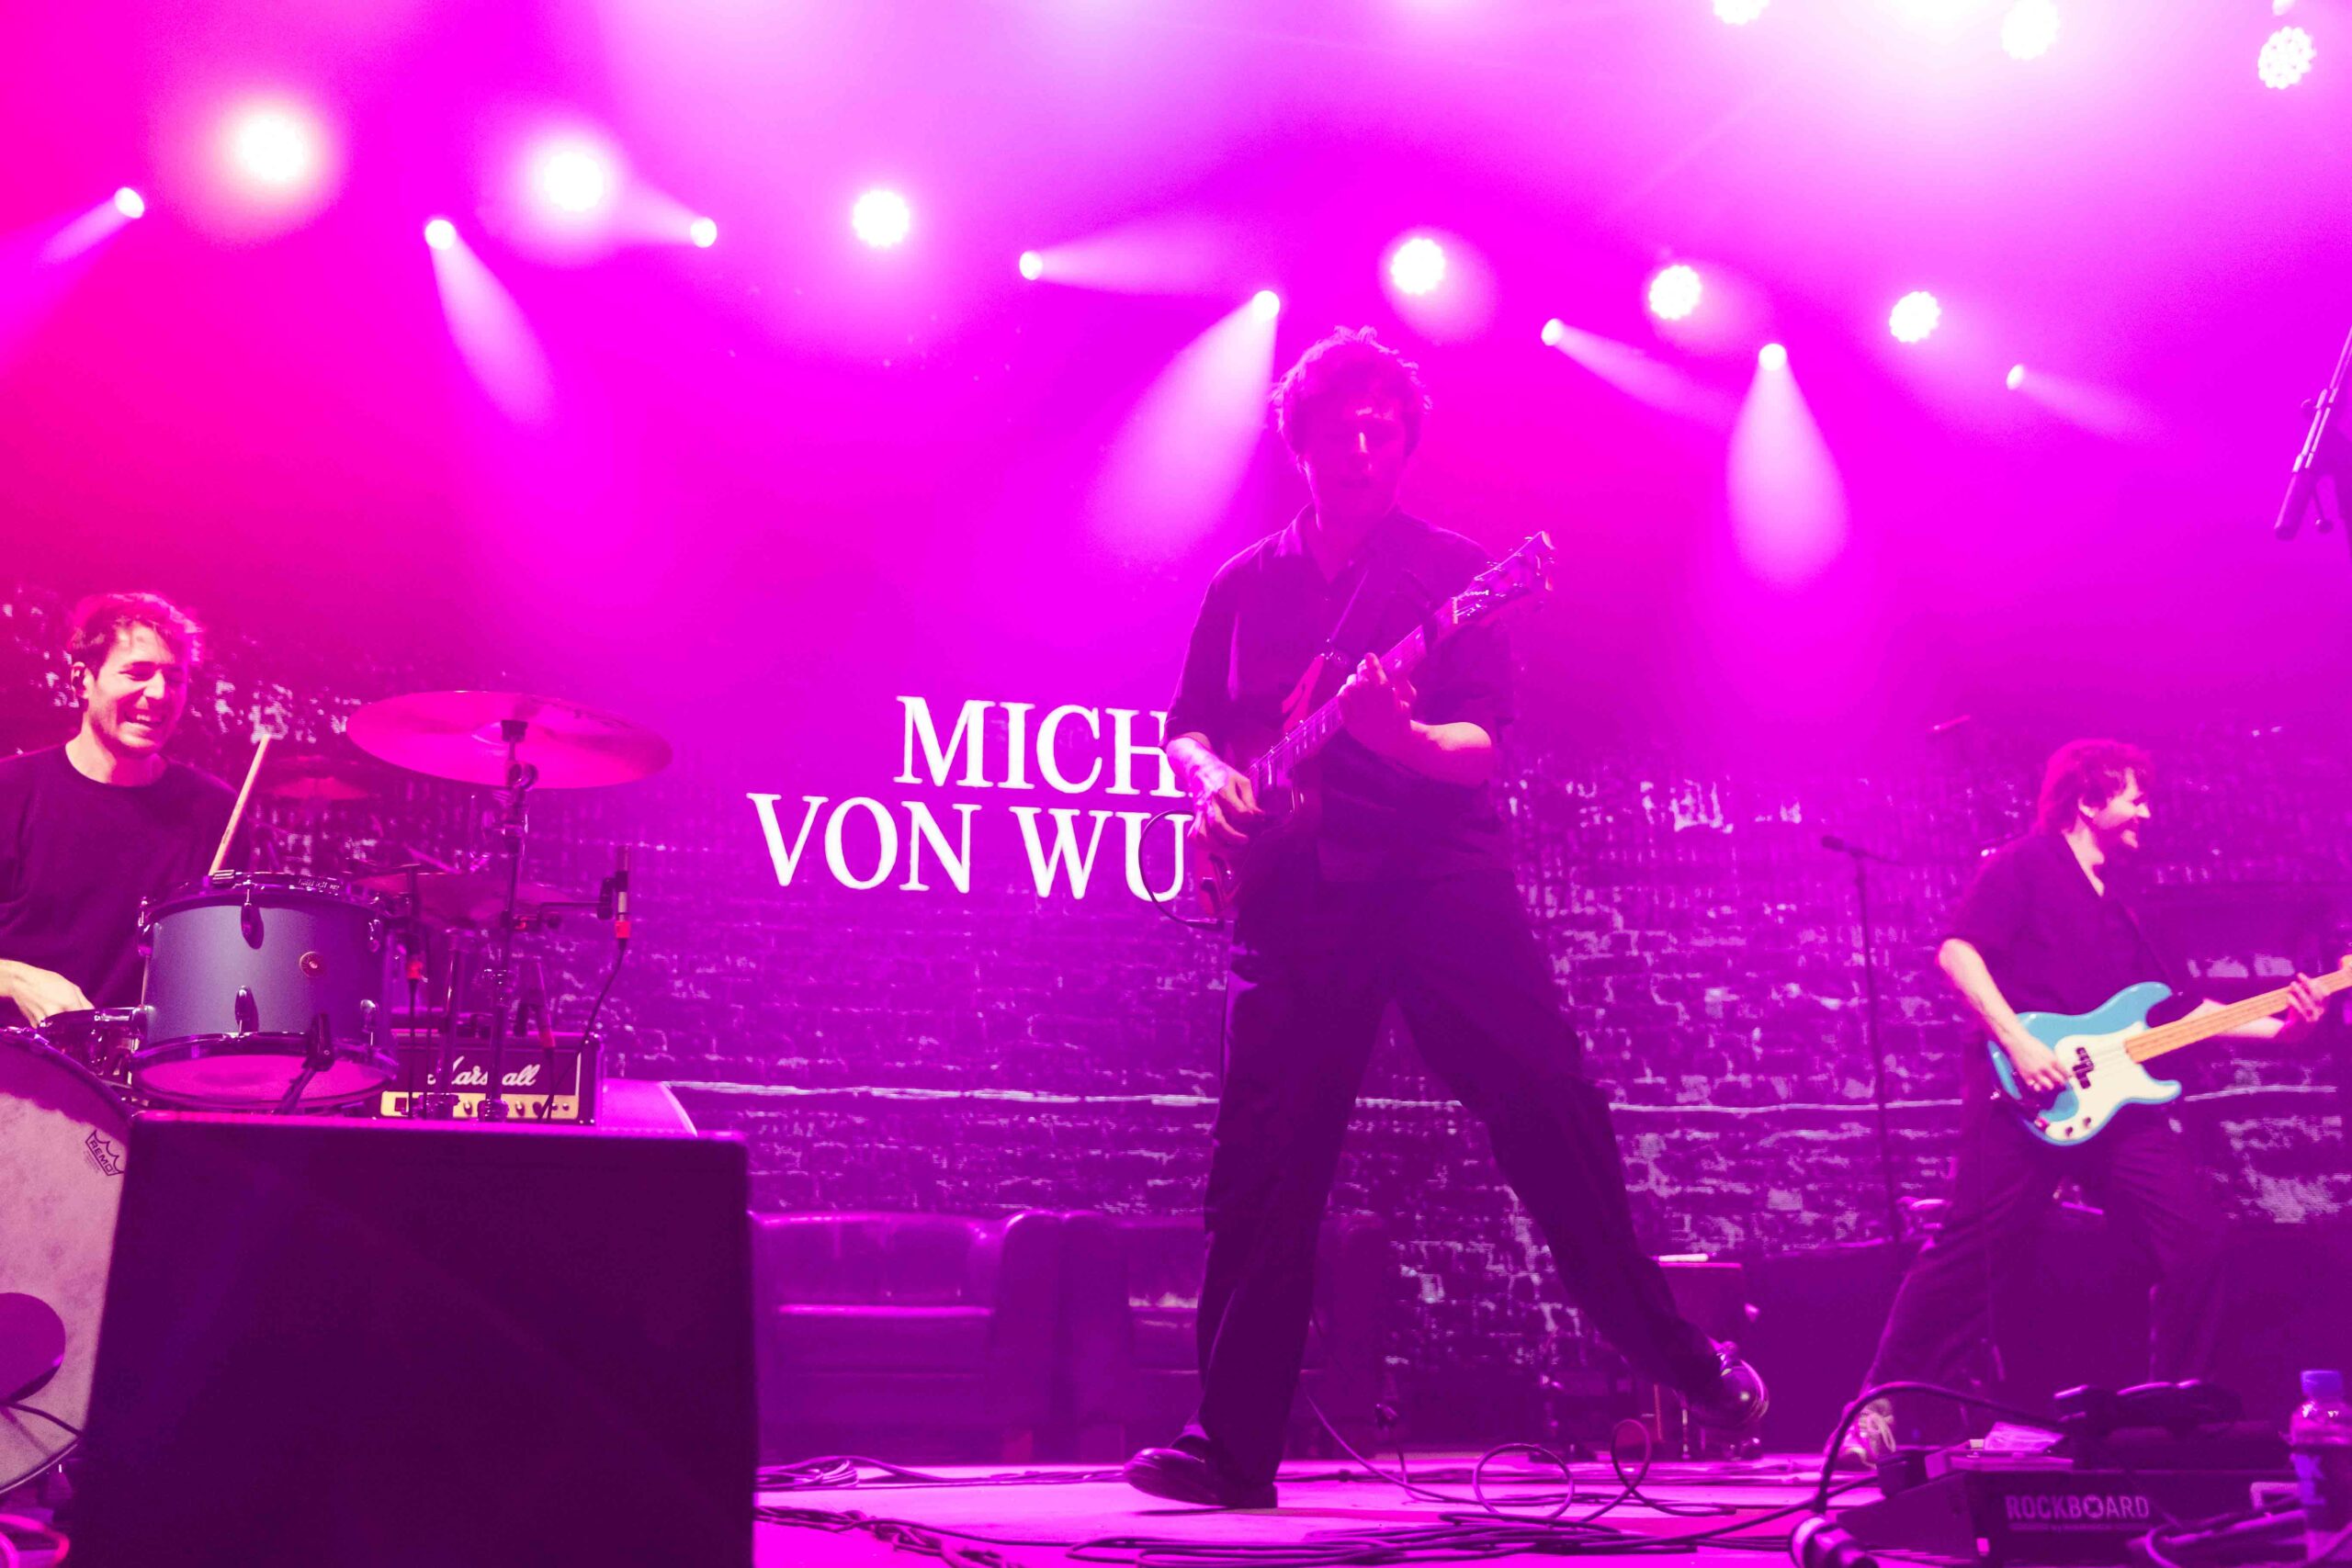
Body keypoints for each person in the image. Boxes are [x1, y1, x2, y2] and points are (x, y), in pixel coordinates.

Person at [1123, 328, 1765, 1510]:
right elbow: (1188, 725)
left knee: (1548, 1113)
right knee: (1262, 1165)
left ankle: (1683, 1364)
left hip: (1434, 881)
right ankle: (1230, 1449)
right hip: (1293, 898)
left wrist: (1402, 738)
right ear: (1300, 442)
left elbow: (1478, 748)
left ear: (1406, 442)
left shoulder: (1457, 575)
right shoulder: (1245, 584)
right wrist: (1208, 782)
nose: (1364, 447)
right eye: (1341, 428)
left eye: (1384, 428)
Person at [1841, 739, 2329, 1465]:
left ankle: (2169, 1418)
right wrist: (2020, 1043)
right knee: (1972, 1249)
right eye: (2134, 796)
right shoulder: (2022, 865)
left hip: (2116, 1104)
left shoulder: (2128, 903)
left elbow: (2181, 1011)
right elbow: (1958, 953)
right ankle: (1878, 1408)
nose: (2146, 812)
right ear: (2088, 800)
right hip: (2024, 1093)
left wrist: (2286, 1029)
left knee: (2199, 1243)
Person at [0, 592, 237, 1029]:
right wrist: (14, 978)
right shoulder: (9, 792)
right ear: (81, 681)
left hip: (152, 1066)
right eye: (138, 673)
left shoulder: (215, 811)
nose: (160, 694)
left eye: (175, 678)